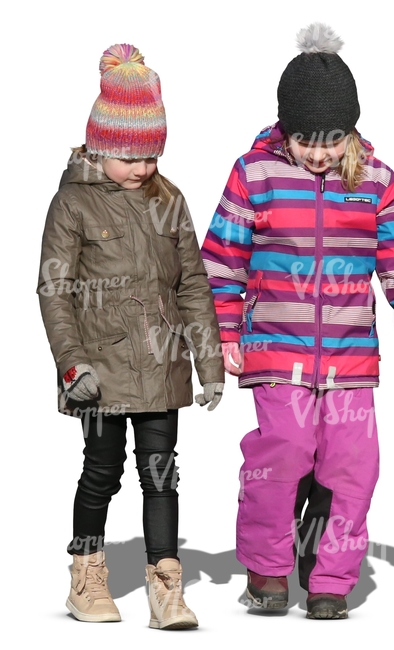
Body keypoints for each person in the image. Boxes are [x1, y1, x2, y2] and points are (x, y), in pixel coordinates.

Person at [201, 22, 394, 619]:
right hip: (274, 349)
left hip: (350, 357)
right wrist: (224, 333)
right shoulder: (254, 175)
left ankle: (331, 578)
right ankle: (268, 572)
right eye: (305, 139)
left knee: (352, 462)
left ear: (351, 130)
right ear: (285, 127)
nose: (317, 152)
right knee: (283, 450)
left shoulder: (376, 182)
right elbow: (223, 261)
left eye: (331, 140)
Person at [37, 43, 225, 629]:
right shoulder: (71, 202)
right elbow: (54, 289)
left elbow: (192, 282)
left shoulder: (169, 200)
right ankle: (87, 571)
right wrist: (72, 364)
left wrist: (209, 361)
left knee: (162, 471)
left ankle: (166, 581)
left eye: (150, 154)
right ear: (98, 145)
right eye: (126, 155)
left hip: (163, 365)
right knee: (101, 468)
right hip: (96, 368)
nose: (141, 167)